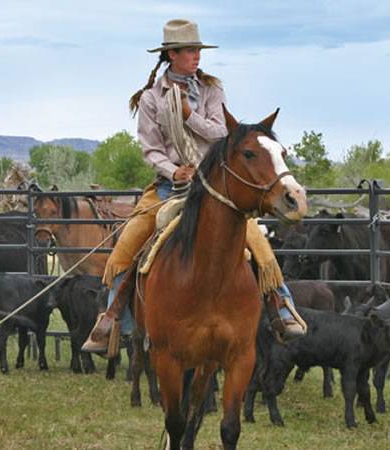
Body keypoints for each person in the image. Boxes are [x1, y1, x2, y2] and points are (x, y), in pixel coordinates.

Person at [82, 18, 306, 355]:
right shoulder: (150, 99)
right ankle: (112, 319)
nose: (197, 56)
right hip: (169, 188)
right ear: (171, 55)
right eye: (189, 50)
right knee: (128, 243)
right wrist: (173, 172)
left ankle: (282, 306)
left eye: (198, 50)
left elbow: (222, 133)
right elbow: (150, 148)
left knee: (256, 241)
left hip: (216, 186)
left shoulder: (213, 89)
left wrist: (187, 114)